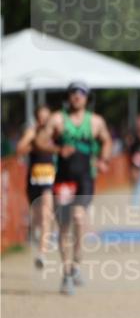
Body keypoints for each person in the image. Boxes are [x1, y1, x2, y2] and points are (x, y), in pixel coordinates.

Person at [34, 81, 112, 295]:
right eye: (73, 93)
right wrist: (58, 148)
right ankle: (68, 273)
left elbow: (107, 141)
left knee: (79, 217)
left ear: (87, 98)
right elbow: (39, 141)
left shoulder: (95, 122)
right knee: (64, 226)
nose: (77, 96)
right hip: (63, 179)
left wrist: (104, 159)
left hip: (85, 178)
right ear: (68, 97)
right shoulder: (58, 119)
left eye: (82, 93)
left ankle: (76, 263)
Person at [16, 105, 55, 269]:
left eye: (46, 117)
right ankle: (37, 234)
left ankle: (42, 253)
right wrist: (35, 145)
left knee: (47, 212)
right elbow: (20, 149)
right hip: (34, 179)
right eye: (41, 117)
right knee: (38, 215)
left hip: (49, 179)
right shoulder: (31, 132)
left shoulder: (54, 132)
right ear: (37, 118)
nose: (43, 120)